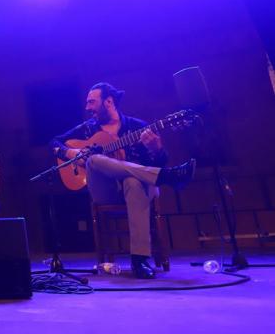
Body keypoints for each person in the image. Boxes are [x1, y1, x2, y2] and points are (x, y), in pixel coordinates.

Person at [51, 83, 195, 279]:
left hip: (142, 188)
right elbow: (53, 143)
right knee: (93, 159)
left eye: (92, 102)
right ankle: (167, 176)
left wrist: (157, 149)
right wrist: (71, 152)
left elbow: (161, 160)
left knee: (133, 183)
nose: (87, 107)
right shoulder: (87, 130)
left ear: (108, 102)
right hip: (106, 191)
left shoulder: (139, 127)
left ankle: (139, 260)